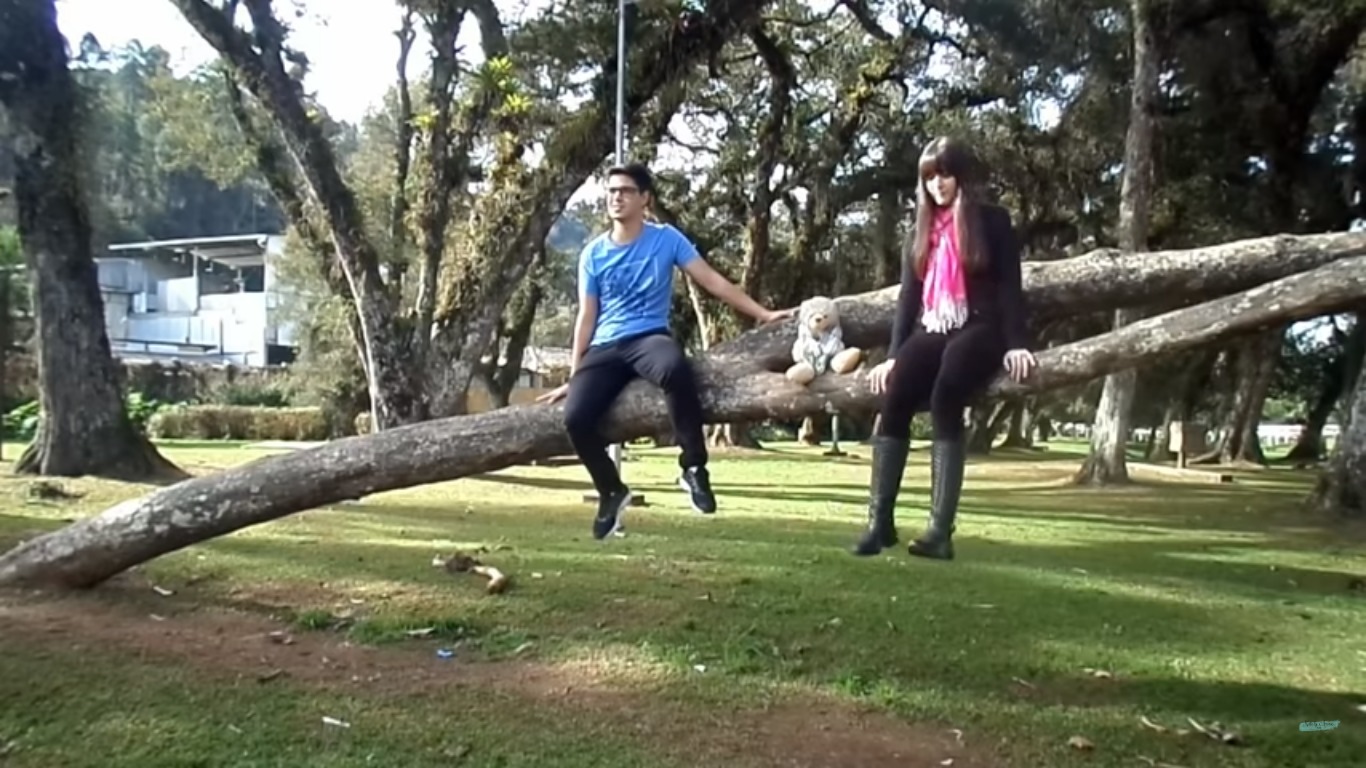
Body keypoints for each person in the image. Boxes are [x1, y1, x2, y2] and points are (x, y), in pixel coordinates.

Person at [538, 162, 791, 540]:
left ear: (645, 199)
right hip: (606, 346)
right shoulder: (593, 254)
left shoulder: (666, 239)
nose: (616, 198)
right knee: (575, 418)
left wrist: (763, 313)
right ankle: (611, 490)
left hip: (648, 338)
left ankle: (693, 468)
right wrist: (575, 376)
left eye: (625, 191)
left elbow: (712, 281)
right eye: (611, 192)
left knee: (676, 368)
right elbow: (586, 317)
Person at [851, 137, 1037, 560]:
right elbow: (908, 299)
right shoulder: (920, 231)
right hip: (935, 325)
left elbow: (1011, 286)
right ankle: (879, 524)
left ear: (962, 176)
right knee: (896, 394)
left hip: (981, 326)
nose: (938, 184)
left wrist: (1017, 344)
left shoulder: (992, 221)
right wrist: (895, 354)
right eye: (930, 177)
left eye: (945, 174)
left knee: (945, 392)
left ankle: (939, 532)